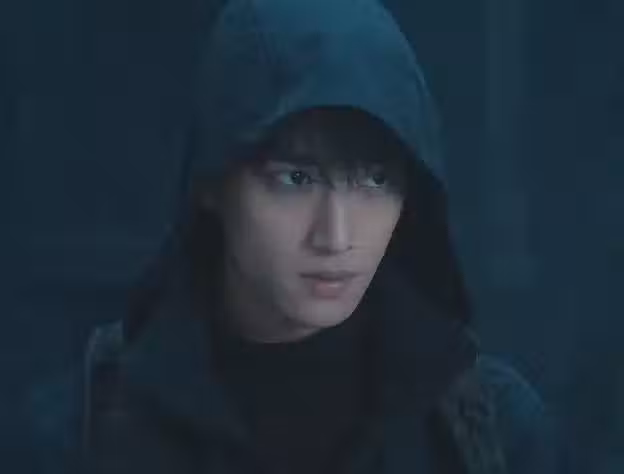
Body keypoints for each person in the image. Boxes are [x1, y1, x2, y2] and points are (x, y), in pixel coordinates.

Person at [26, 0, 565, 473]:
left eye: (374, 181)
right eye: (296, 179)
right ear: (211, 182)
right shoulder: (75, 439)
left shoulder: (496, 434)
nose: (336, 236)